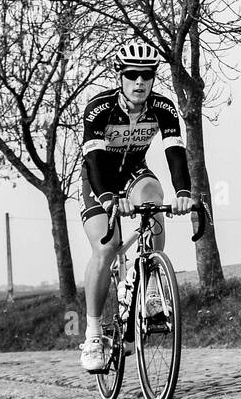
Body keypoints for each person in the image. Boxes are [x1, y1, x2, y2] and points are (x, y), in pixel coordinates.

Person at [77, 40, 194, 372]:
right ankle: (94, 333)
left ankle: (151, 282)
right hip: (97, 177)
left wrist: (183, 191)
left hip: (134, 172)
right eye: (132, 75)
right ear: (120, 76)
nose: (139, 82)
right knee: (107, 245)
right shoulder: (99, 109)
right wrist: (107, 198)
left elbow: (174, 151)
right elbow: (95, 159)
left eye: (146, 75)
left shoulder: (163, 108)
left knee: (153, 199)